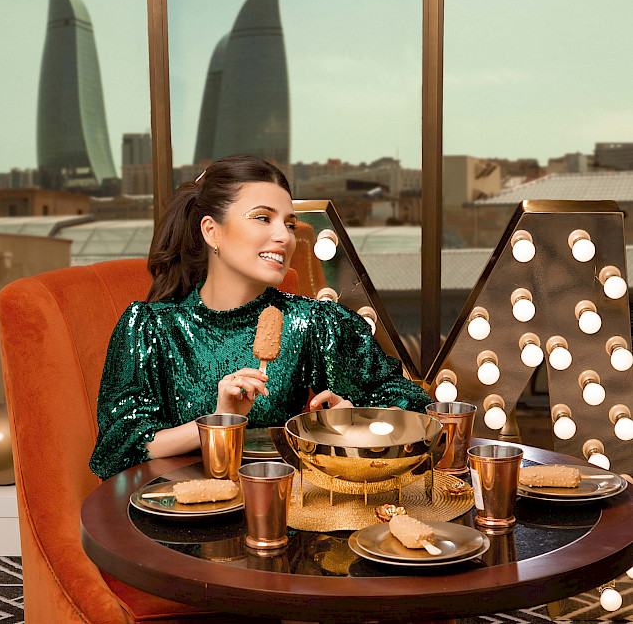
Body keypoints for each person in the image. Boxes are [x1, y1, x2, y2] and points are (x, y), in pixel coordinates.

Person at [90, 155, 431, 479]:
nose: (284, 237)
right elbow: (121, 450)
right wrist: (221, 420)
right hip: (178, 508)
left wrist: (354, 420)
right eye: (263, 218)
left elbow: (415, 408)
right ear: (211, 231)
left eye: (289, 224)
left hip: (283, 504)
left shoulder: (315, 322)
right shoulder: (151, 327)